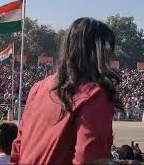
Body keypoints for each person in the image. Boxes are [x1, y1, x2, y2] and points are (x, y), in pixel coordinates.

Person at [11, 17, 123, 164]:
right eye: (107, 50)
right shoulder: (94, 94)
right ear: (97, 51)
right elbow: (88, 159)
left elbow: (18, 148)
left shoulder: (38, 88)